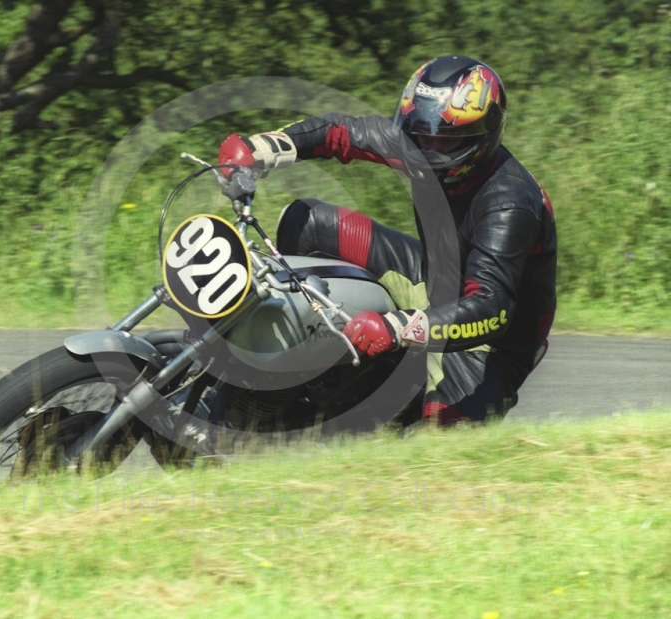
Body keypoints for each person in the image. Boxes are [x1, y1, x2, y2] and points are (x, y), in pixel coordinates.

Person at [217, 55, 557, 426]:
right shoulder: (417, 143)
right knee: (306, 220)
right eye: (419, 135)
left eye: (448, 139)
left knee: (440, 448)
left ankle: (395, 399)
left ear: (484, 134)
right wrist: (260, 148)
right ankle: (298, 348)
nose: (429, 148)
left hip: (489, 341)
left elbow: (491, 311)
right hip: (431, 279)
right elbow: (338, 132)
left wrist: (396, 328)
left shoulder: (510, 203)